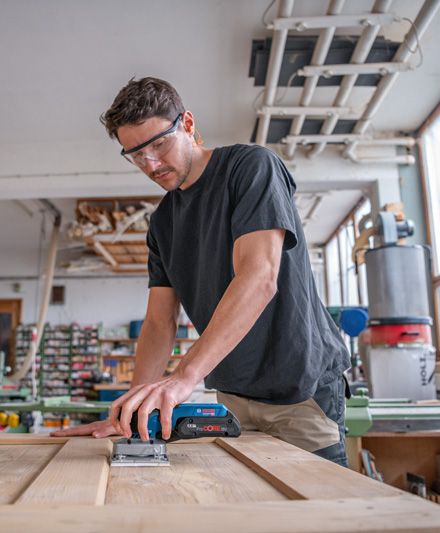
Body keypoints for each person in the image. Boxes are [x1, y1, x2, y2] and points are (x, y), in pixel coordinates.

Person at [53, 77, 351, 465]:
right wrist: (135, 410)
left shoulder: (250, 168)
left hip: (301, 390)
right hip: (234, 397)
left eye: (158, 144)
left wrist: (183, 378)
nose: (151, 164)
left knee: (319, 516)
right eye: (136, 155)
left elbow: (259, 277)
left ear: (188, 124)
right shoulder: (163, 223)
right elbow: (160, 323)